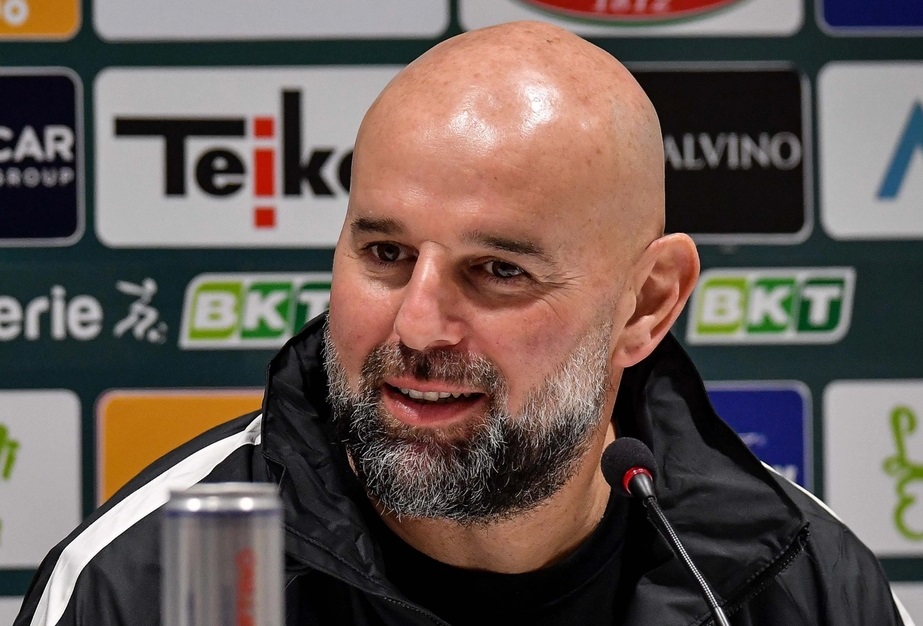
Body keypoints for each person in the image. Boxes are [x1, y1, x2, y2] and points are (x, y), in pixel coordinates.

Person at [16, 20, 910, 626]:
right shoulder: (146, 580)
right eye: (384, 254)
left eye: (497, 271)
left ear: (645, 305)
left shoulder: (796, 584)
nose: (417, 326)